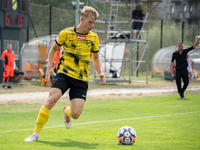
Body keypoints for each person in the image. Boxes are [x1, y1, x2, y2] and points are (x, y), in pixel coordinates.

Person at [25, 6, 106, 142]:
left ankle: (66, 111)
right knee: (51, 100)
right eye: (89, 22)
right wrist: (49, 67)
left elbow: (95, 57)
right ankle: (35, 134)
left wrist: (100, 72)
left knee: (75, 114)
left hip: (81, 78)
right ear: (82, 19)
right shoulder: (66, 33)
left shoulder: (94, 38)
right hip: (64, 73)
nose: (92, 26)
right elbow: (54, 49)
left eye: (93, 23)